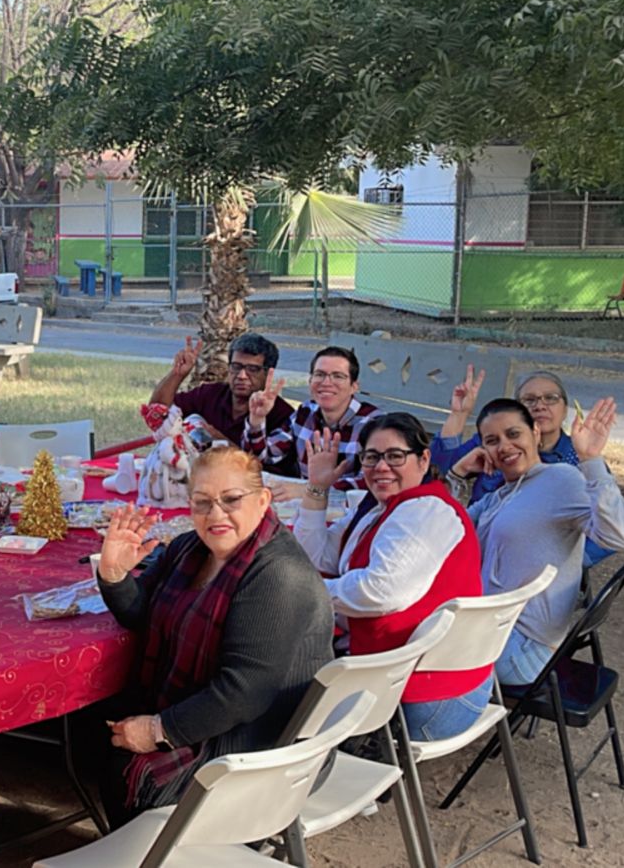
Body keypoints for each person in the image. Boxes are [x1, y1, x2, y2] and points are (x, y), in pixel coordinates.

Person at [93, 446, 334, 825]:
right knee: (88, 723)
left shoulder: (279, 576)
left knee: (126, 766)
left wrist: (159, 729)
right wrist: (114, 575)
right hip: (223, 719)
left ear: (263, 500)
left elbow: (244, 692)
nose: (215, 514)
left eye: (231, 500)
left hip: (260, 746)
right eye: (202, 502)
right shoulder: (190, 548)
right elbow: (142, 615)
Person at [292, 413, 490, 741]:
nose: (381, 467)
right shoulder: (382, 509)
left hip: (430, 701)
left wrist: (297, 591)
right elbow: (314, 556)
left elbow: (380, 592)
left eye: (395, 456)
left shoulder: (425, 511)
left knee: (273, 693)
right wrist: (317, 487)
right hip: (418, 680)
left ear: (424, 459)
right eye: (372, 457)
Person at [460, 398, 624, 686]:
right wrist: (459, 474)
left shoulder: (560, 480)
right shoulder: (502, 495)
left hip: (524, 648)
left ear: (535, 432)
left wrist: (591, 461)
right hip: (494, 629)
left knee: (409, 649)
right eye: (492, 440)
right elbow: (449, 531)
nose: (504, 446)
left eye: (513, 434)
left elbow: (621, 537)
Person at [432, 367, 622, 566]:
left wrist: (567, 562)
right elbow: (439, 470)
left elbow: (609, 527)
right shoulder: (493, 442)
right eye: (529, 400)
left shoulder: (579, 461)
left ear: (565, 409)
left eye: (550, 398)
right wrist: (459, 415)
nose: (540, 406)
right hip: (472, 555)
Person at [246, 345, 379, 491]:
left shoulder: (373, 425)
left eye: (338, 376)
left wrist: (312, 489)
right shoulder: (306, 412)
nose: (326, 382)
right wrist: (257, 419)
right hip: (306, 505)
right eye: (320, 374)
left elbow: (372, 481)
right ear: (310, 381)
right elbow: (266, 456)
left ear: (354, 386)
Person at [150, 333, 294, 444]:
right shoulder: (210, 394)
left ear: (268, 373)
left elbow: (274, 474)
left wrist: (222, 443)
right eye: (236, 367)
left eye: (252, 369)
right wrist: (178, 374)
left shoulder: (283, 415)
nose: (242, 376)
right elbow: (156, 414)